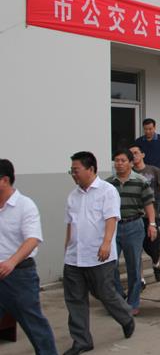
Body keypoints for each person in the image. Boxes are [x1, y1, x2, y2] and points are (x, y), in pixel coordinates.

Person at [63, 152, 135, 355]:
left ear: (91, 169)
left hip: (99, 256)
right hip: (74, 258)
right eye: (71, 171)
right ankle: (82, 341)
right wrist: (66, 250)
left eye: (76, 170)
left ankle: (125, 317)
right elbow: (70, 226)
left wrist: (106, 243)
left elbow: (111, 218)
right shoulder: (73, 195)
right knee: (75, 300)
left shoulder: (107, 191)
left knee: (105, 294)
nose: (73, 174)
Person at [0, 159, 58, 355]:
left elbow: (33, 239)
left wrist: (11, 262)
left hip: (19, 276)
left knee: (34, 324)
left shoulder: (25, 205)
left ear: (4, 180)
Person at [107, 149, 157, 316]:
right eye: (116, 160)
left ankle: (133, 302)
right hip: (113, 227)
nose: (119, 163)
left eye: (122, 160)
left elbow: (149, 204)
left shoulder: (140, 181)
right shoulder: (108, 184)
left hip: (134, 226)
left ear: (130, 163)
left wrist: (152, 224)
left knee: (134, 266)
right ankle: (119, 298)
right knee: (110, 265)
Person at [130, 145, 160, 283]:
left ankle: (156, 264)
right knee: (137, 249)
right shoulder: (128, 173)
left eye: (136, 153)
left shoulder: (154, 170)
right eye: (131, 153)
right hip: (135, 216)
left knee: (155, 247)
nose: (134, 155)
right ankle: (141, 280)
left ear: (143, 155)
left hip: (152, 216)